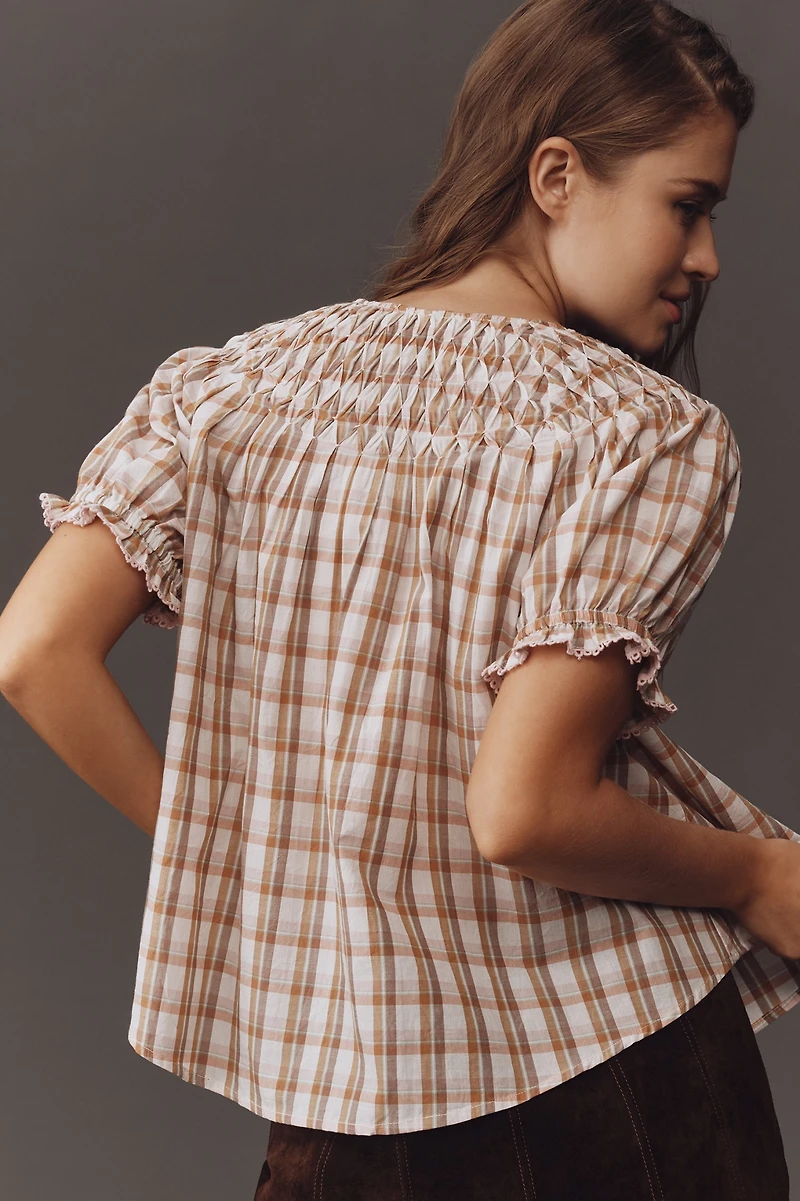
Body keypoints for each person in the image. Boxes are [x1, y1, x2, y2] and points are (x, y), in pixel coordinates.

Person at [0, 0, 797, 1197]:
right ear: (556, 174)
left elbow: (35, 650)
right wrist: (751, 875)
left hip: (336, 1104)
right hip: (601, 1080)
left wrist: (241, 851)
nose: (705, 259)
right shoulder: (634, 432)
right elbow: (523, 811)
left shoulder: (231, 387)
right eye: (687, 206)